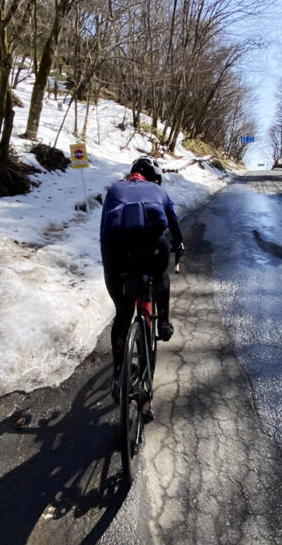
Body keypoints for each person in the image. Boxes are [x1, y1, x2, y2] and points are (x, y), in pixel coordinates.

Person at [100, 156, 184, 400]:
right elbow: (174, 224)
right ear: (154, 177)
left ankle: (118, 377)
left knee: (123, 313)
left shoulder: (115, 189)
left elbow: (104, 230)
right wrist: (179, 245)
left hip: (116, 254)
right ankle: (164, 324)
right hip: (152, 250)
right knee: (160, 277)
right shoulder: (157, 190)